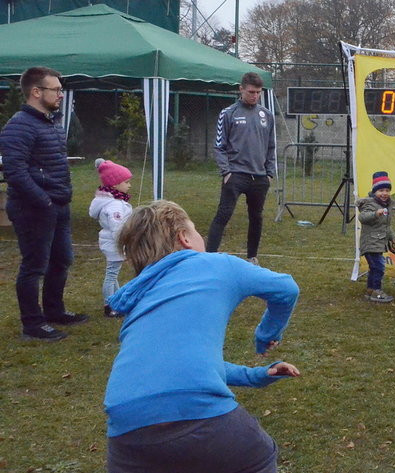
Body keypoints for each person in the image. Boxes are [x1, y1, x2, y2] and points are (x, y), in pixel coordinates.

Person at [104, 200, 300, 473]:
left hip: (126, 429)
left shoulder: (139, 298)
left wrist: (255, 376)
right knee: (259, 457)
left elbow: (176, 369)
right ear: (184, 238)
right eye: (196, 231)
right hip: (199, 413)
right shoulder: (216, 264)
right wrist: (267, 333)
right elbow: (286, 288)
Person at [0, 66, 88, 341]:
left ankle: (54, 311)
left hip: (57, 204)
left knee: (61, 260)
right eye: (56, 90)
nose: (61, 94)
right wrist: (44, 201)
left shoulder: (49, 122)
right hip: (33, 208)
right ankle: (33, 325)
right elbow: (15, 172)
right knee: (34, 265)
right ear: (36, 92)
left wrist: (58, 198)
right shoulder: (19, 126)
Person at [207, 72, 276, 265]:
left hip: (260, 177)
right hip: (235, 175)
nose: (255, 96)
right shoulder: (228, 113)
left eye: (258, 92)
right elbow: (219, 145)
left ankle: (252, 257)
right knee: (223, 215)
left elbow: (271, 147)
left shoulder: (267, 115)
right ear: (241, 89)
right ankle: (209, 257)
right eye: (251, 92)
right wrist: (226, 171)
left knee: (256, 217)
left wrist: (269, 173)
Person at [88, 158, 133, 318]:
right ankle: (109, 304)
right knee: (111, 275)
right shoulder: (115, 206)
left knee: (113, 274)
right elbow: (118, 227)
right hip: (115, 244)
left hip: (112, 243)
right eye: (126, 182)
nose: (129, 185)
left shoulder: (112, 201)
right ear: (115, 185)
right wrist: (126, 244)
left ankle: (117, 300)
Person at [357, 171, 395, 303]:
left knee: (374, 267)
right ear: (375, 191)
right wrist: (375, 213)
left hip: (378, 243)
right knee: (379, 268)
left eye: (387, 190)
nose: (384, 193)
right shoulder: (370, 204)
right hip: (370, 243)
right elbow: (362, 217)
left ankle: (370, 290)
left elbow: (386, 226)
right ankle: (376, 291)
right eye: (381, 190)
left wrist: (393, 238)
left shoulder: (386, 205)